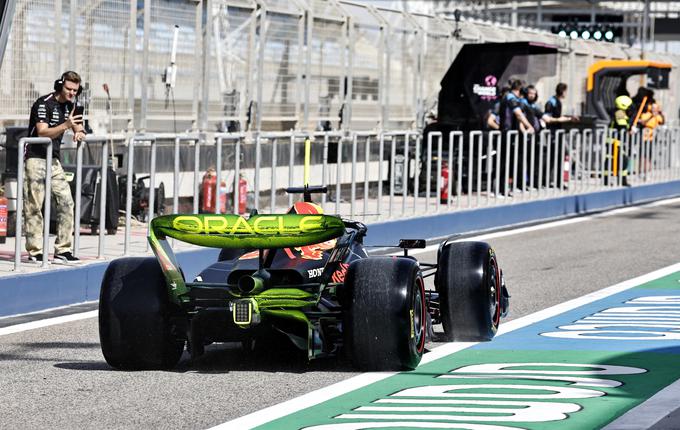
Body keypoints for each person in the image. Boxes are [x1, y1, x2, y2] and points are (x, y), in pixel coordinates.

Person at [25, 71, 85, 263]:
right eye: (68, 89)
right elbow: (42, 132)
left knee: (67, 202)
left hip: (54, 161)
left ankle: (63, 250)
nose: (72, 93)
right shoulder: (43, 103)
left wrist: (79, 132)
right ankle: (35, 251)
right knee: (35, 206)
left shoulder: (72, 105)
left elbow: (78, 125)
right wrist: (66, 126)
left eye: (75, 90)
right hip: (36, 158)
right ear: (60, 85)